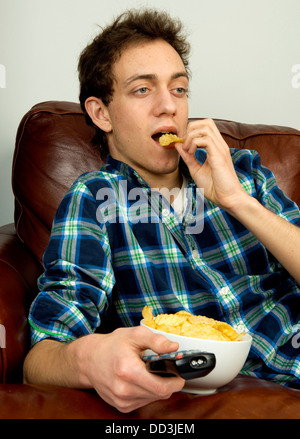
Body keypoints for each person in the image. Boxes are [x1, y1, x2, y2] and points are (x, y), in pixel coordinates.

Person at [23, 9, 300, 413]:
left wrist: (238, 201)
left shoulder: (242, 170)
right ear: (102, 113)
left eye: (180, 89)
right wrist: (91, 359)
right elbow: (41, 359)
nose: (168, 107)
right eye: (142, 90)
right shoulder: (95, 199)